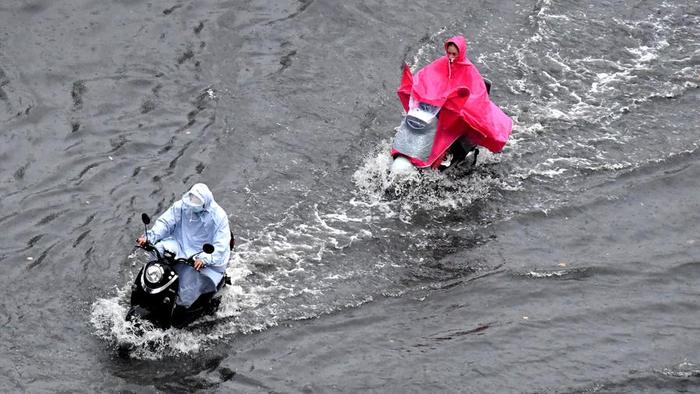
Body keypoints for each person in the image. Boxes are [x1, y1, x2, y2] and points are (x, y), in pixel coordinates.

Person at [395, 35, 512, 168]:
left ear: (460, 53)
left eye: (454, 54)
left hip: (456, 115)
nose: (451, 57)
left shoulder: (469, 71)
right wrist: (419, 90)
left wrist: (459, 103)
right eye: (449, 53)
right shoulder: (441, 64)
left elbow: (478, 96)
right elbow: (424, 78)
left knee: (448, 131)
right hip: (439, 111)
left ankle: (447, 155)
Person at [137, 183, 231, 308]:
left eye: (197, 201)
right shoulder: (181, 206)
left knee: (187, 291)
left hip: (201, 252)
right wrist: (149, 238)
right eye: (192, 198)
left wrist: (204, 259)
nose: (193, 203)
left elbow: (221, 244)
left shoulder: (219, 216)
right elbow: (165, 223)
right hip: (180, 243)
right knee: (159, 250)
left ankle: (181, 308)